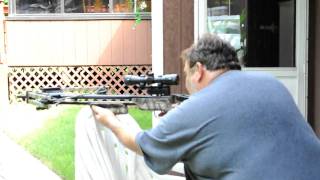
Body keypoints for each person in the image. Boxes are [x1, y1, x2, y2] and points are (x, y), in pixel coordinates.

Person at [90, 34, 320, 180]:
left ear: (198, 70)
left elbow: (145, 144)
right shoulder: (271, 84)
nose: (188, 83)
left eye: (188, 74)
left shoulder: (198, 106)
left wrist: (110, 120)